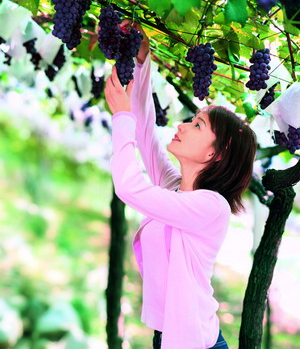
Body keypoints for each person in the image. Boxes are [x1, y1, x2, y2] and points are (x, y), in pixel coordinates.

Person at [104, 20, 258, 349]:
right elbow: (145, 131)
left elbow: (129, 187)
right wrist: (143, 63)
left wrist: (120, 117)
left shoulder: (210, 207)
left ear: (216, 154)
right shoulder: (176, 188)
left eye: (197, 125)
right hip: (171, 337)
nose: (183, 126)